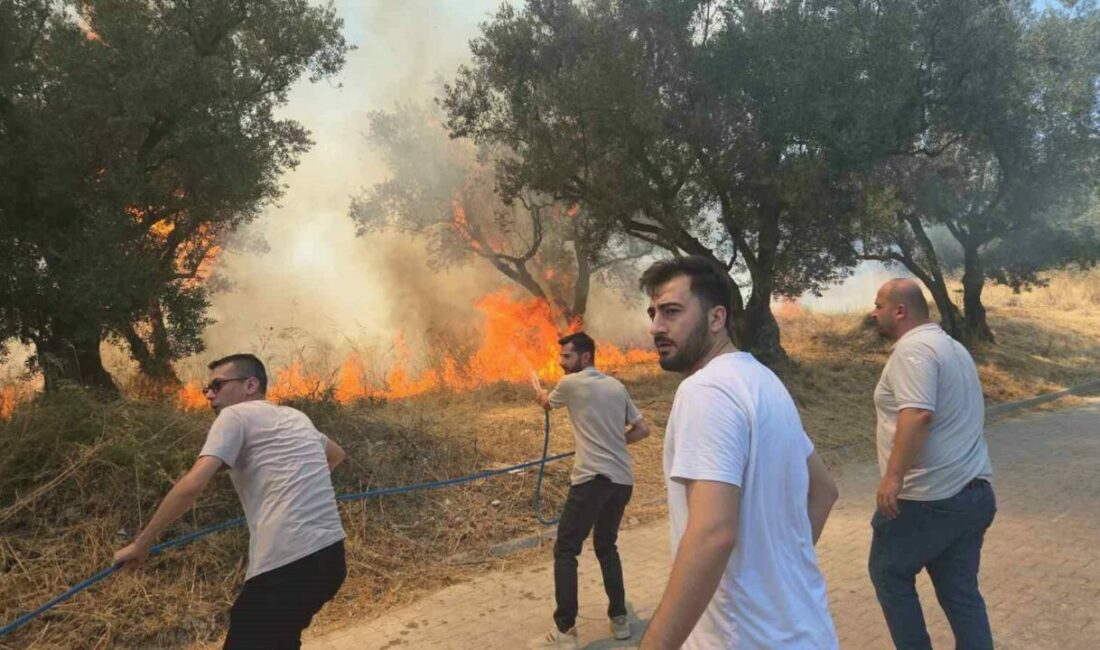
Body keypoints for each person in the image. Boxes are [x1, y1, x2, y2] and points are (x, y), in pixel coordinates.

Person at [638, 256, 839, 650]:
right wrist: (771, 576)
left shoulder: (706, 391)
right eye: (653, 313)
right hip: (806, 632)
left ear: (717, 318)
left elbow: (712, 534)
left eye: (672, 312)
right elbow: (824, 491)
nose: (657, 326)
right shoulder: (763, 380)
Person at [113, 353, 348, 649]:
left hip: (287, 563)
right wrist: (301, 486)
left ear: (250, 385)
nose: (210, 395)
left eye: (218, 385)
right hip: (331, 559)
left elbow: (192, 485)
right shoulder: (295, 417)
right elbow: (336, 454)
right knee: (281, 638)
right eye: (207, 389)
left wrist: (141, 544)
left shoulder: (235, 416)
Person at [868, 279, 996, 650]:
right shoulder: (953, 348)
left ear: (900, 311)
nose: (874, 312)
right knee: (961, 595)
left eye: (879, 305)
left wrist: (893, 478)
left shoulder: (913, 351)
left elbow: (918, 414)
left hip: (928, 499)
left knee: (888, 573)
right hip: (973, 494)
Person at [528, 332, 651, 649]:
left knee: (566, 550)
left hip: (591, 481)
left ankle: (566, 631)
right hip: (622, 481)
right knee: (606, 546)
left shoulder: (571, 384)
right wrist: (615, 443)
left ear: (584, 358)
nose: (561, 362)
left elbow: (547, 404)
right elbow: (643, 429)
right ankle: (620, 620)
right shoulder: (616, 386)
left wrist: (537, 389)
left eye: (566, 357)